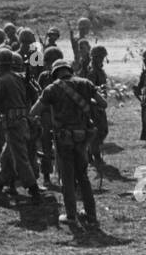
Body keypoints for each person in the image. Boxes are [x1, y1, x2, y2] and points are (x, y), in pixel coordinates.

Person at [30, 58, 105, 229]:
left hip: (63, 139)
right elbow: (103, 103)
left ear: (55, 73)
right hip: (83, 137)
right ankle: (91, 215)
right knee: (83, 176)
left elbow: (34, 111)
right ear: (69, 70)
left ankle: (71, 215)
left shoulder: (52, 89)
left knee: (68, 178)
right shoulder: (86, 83)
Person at [0, 47, 43, 203]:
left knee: (20, 159)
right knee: (6, 157)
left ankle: (34, 191)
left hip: (12, 124)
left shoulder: (2, 80)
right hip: (21, 121)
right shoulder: (19, 77)